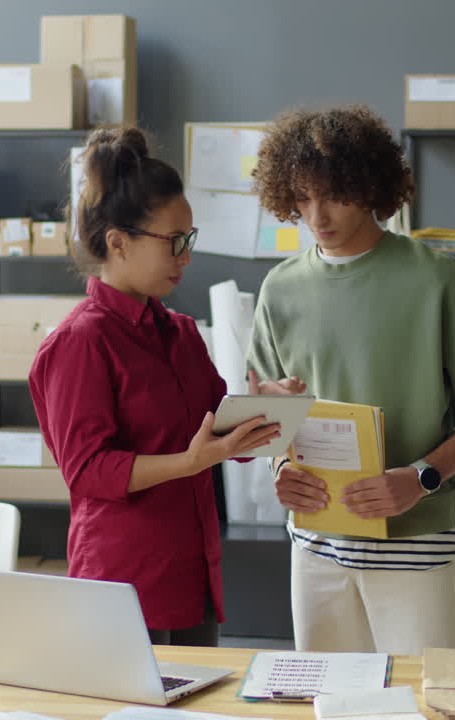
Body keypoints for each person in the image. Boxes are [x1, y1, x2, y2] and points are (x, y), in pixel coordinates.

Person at [246, 105, 455, 655]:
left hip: (417, 543)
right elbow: (266, 411)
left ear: (369, 185)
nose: (317, 214)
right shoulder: (279, 289)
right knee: (328, 705)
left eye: (333, 194)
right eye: (301, 197)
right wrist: (281, 465)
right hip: (316, 546)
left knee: (430, 705)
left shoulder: (434, 278)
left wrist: (422, 476)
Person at [28, 127, 281, 647]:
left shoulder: (182, 333)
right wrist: (188, 463)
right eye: (174, 242)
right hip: (123, 584)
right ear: (118, 242)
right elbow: (88, 472)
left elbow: (218, 432)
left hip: (193, 577)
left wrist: (265, 408)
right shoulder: (81, 342)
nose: (186, 257)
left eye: (190, 239)